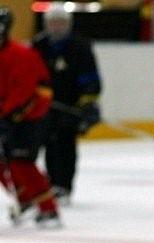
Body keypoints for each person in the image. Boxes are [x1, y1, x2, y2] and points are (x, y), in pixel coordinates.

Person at [0, 5, 61, 228]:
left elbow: (23, 91)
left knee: (22, 162)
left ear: (2, 30)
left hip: (30, 115)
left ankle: (49, 210)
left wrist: (7, 115)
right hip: (6, 115)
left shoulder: (21, 55)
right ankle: (25, 198)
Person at [33, 4, 102, 205]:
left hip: (71, 107)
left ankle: (64, 186)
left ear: (68, 24)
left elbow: (91, 78)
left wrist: (88, 102)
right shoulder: (39, 45)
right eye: (53, 22)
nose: (56, 26)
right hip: (46, 107)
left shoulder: (80, 46)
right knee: (49, 145)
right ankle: (51, 183)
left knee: (65, 145)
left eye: (60, 22)